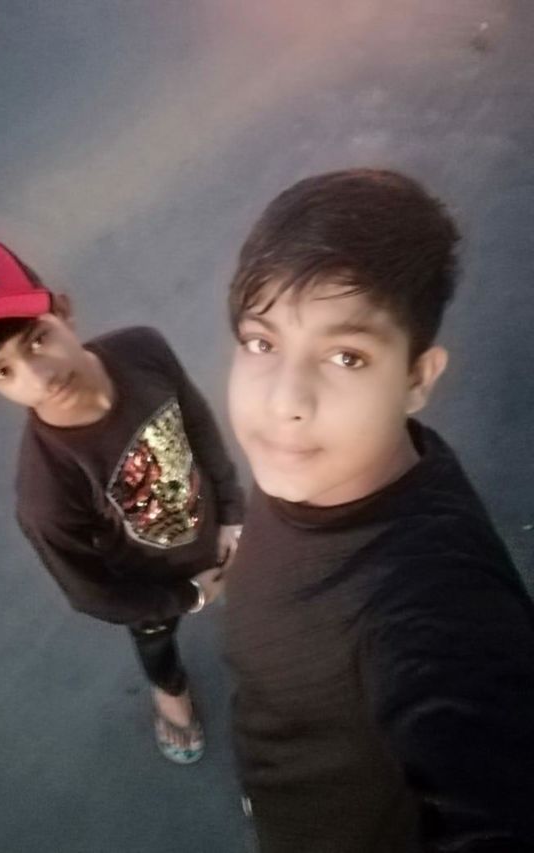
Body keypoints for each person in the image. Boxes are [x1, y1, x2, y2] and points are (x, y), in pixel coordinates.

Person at [223, 169, 534, 850]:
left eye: (346, 356)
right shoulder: (322, 464)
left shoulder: (433, 605)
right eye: (262, 343)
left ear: (418, 379)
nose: (285, 400)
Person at [0, 239, 243, 764]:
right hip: (149, 584)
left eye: (37, 340)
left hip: (213, 533)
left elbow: (198, 424)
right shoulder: (45, 492)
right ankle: (170, 692)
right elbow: (91, 593)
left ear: (62, 309)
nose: (39, 377)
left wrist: (232, 512)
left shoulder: (143, 350)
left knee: (249, 602)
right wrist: (188, 597)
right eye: (3, 372)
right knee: (155, 640)